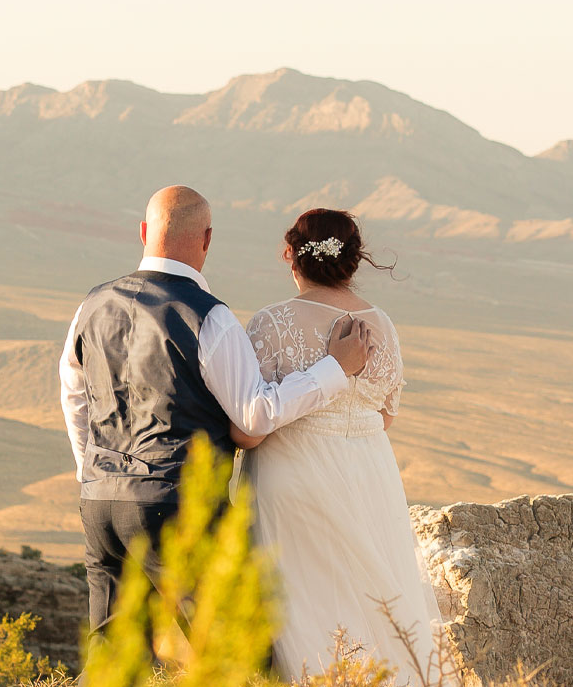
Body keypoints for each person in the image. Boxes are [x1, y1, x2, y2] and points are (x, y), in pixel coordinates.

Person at [58, 185, 373, 639]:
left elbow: (74, 397)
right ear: (206, 239)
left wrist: (94, 471)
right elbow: (254, 414)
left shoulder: (91, 305)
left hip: (101, 502)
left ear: (144, 231)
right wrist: (334, 370)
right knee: (234, 649)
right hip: (179, 506)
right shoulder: (207, 317)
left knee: (112, 656)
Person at [233, 208, 443, 687]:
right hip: (369, 473)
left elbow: (252, 421)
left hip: (294, 474)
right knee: (370, 596)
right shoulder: (381, 325)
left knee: (304, 604)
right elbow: (385, 414)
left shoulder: (271, 322)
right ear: (355, 259)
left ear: (290, 254)